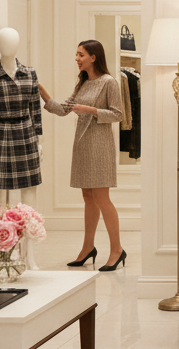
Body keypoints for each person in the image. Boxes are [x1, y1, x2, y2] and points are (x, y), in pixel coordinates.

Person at [40, 40, 126, 271]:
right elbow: (61, 109)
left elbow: (118, 115)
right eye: (76, 54)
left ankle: (117, 250)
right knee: (88, 196)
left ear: (93, 57)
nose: (77, 59)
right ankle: (88, 247)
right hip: (83, 145)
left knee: (101, 197)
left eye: (81, 54)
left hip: (100, 146)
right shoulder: (83, 83)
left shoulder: (109, 82)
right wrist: (38, 88)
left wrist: (90, 110)